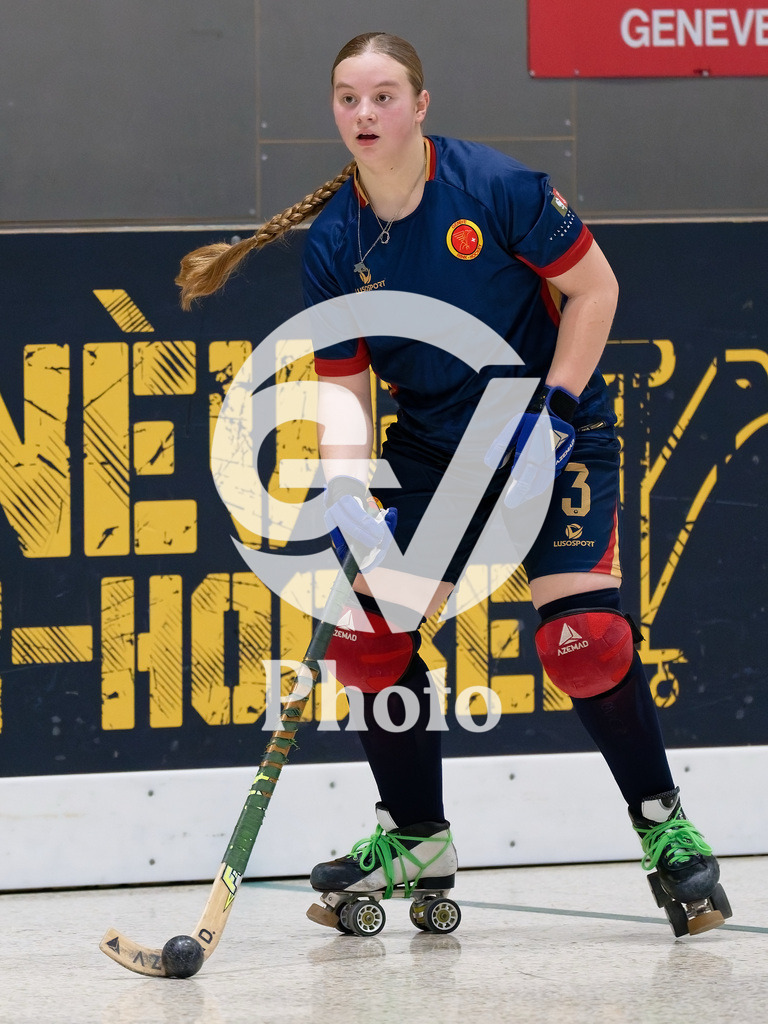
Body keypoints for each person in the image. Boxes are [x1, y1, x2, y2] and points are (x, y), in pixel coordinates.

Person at [177, 32, 729, 937]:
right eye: (348, 98)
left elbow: (596, 291)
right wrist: (347, 490)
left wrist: (557, 407)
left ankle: (664, 826)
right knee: (369, 639)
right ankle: (416, 837)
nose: (365, 113)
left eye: (384, 96)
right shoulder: (336, 244)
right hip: (438, 453)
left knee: (584, 641)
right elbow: (345, 390)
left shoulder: (497, 189)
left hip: (548, 434)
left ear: (421, 105)